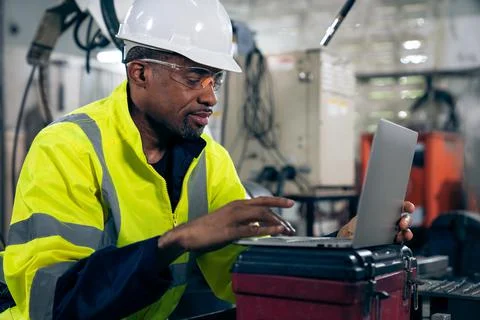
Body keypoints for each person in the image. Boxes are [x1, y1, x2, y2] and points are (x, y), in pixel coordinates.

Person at [0, 0, 414, 319]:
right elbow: (53, 301)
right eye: (194, 76)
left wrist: (335, 250)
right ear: (140, 73)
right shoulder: (68, 147)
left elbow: (244, 273)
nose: (211, 96)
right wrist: (174, 242)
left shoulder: (208, 158)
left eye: (215, 79)